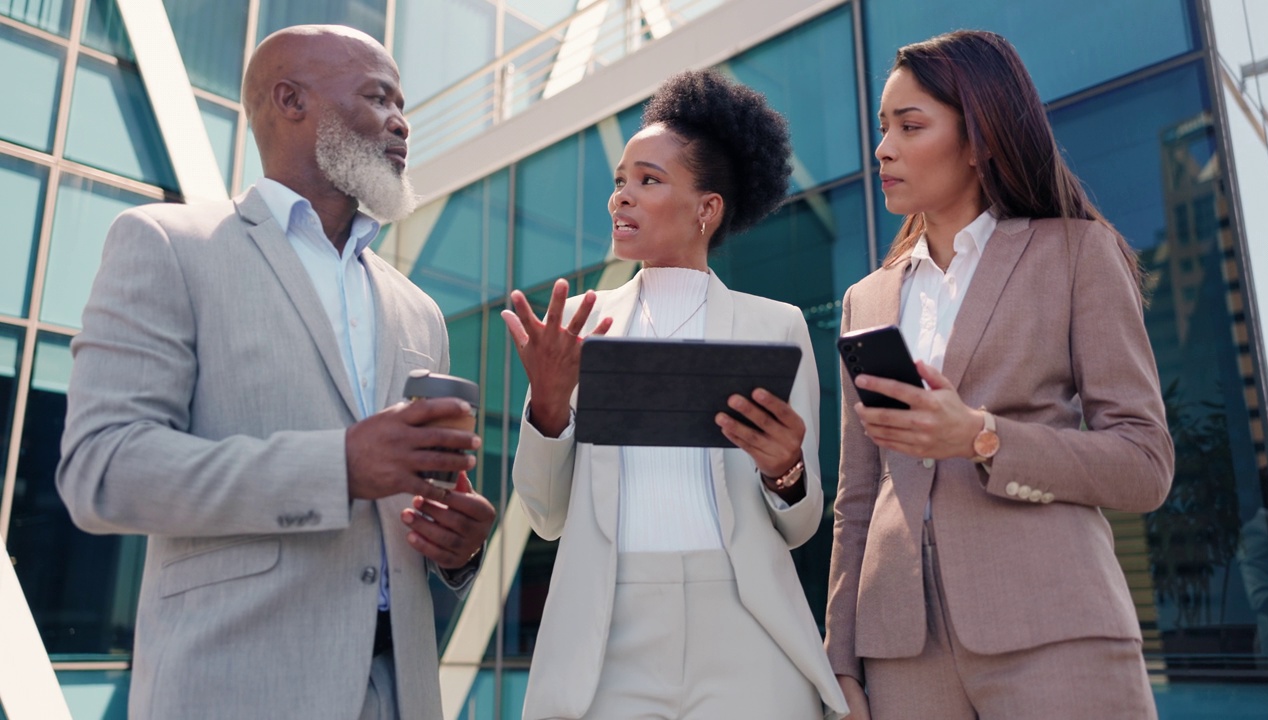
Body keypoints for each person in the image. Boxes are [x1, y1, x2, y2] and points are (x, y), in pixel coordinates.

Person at [56, 25, 496, 720]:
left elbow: (408, 503)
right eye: (380, 96)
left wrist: (456, 548)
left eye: (402, 103)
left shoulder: (421, 312)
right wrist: (339, 467)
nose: (402, 122)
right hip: (236, 686)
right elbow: (102, 471)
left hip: (401, 692)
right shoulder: (168, 246)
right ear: (291, 100)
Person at [825, 30, 1175, 720]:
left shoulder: (1077, 253)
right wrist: (839, 660)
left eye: (910, 125)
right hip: (901, 655)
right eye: (882, 128)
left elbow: (1144, 462)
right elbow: (857, 498)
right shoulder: (866, 300)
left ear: (979, 138)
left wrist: (983, 437)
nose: (883, 149)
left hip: (1053, 629)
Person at [501, 69, 847, 719]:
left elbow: (801, 526)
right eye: (619, 182)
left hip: (745, 626)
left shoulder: (776, 327)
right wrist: (548, 407)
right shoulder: (579, 323)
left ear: (706, 209)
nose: (621, 199)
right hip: (608, 635)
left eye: (648, 181)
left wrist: (786, 471)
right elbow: (546, 516)